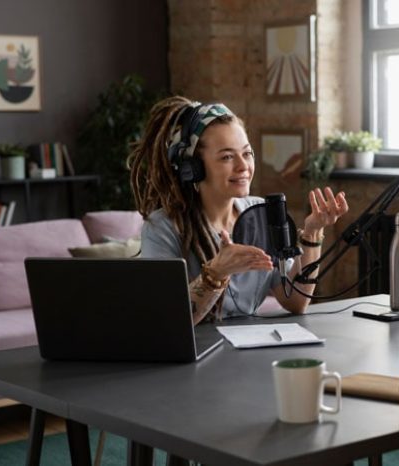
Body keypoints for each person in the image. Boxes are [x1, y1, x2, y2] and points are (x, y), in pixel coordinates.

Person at [128, 96, 348, 324]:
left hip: (249, 352)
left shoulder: (261, 214)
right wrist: (216, 273)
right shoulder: (163, 227)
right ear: (192, 169)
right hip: (193, 355)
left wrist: (311, 234)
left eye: (247, 153)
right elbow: (166, 320)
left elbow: (296, 302)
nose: (243, 166)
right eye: (227, 157)